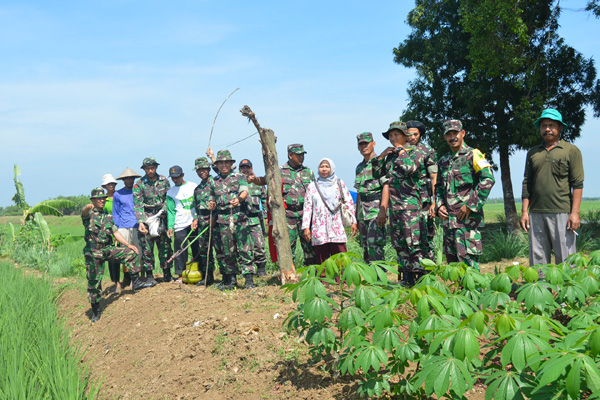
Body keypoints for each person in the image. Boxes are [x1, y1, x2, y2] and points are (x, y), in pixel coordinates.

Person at [520, 109, 584, 266]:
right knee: (538, 258)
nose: (547, 129)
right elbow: (527, 182)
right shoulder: (533, 153)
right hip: (536, 213)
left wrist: (574, 213)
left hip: (562, 212)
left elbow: (578, 184)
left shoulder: (571, 151)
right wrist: (524, 212)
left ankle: (567, 289)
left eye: (551, 125)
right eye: (543, 126)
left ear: (560, 128)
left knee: (566, 257)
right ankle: (542, 288)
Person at [435, 119, 495, 270]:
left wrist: (470, 205)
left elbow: (488, 179)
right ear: (444, 137)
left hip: (467, 222)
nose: (452, 137)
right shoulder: (443, 161)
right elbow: (438, 187)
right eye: (448, 134)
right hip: (449, 222)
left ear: (463, 133)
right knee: (453, 266)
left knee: (468, 264)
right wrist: (439, 205)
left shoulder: (473, 154)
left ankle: (474, 294)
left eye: (455, 133)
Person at [82, 188, 148, 322]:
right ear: (93, 200)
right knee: (94, 282)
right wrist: (87, 208)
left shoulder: (107, 215)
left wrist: (127, 244)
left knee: (131, 253)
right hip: (93, 252)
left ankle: (135, 283)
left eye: (103, 198)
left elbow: (115, 233)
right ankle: (95, 311)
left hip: (107, 249)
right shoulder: (89, 214)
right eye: (98, 198)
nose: (101, 200)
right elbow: (83, 213)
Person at [373, 121, 426, 285]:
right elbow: (376, 174)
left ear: (405, 136)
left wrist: (402, 152)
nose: (393, 138)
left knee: (414, 244)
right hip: (395, 208)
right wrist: (381, 157)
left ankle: (420, 278)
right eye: (390, 135)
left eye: (396, 135)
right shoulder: (389, 156)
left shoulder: (415, 152)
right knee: (400, 244)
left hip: (410, 207)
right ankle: (407, 278)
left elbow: (410, 168)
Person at [249, 144, 316, 266]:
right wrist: (254, 179)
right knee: (288, 247)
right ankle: (290, 273)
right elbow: (265, 180)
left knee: (310, 246)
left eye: (302, 155)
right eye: (298, 155)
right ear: (290, 155)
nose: (301, 157)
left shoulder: (308, 172)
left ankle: (312, 274)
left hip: (306, 215)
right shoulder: (279, 171)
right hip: (288, 215)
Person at [211, 150, 255, 290]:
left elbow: (244, 191)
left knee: (244, 248)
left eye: (226, 162)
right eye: (221, 163)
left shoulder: (239, 177)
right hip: (223, 219)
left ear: (231, 163)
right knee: (227, 250)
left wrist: (240, 199)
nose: (224, 165)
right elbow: (212, 199)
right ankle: (231, 280)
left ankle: (249, 279)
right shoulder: (214, 181)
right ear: (217, 165)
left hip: (239, 217)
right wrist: (211, 204)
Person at [302, 158, 357, 264]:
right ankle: (324, 280)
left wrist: (354, 221)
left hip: (336, 226)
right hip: (319, 227)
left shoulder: (339, 184)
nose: (324, 169)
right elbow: (307, 207)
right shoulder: (312, 186)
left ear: (332, 168)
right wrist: (306, 227)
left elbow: (349, 202)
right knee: (322, 259)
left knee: (340, 256)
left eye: (327, 166)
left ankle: (341, 280)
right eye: (321, 166)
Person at [133, 157, 173, 285]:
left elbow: (169, 198)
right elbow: (138, 204)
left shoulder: (164, 181)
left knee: (165, 247)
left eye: (152, 167)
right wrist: (141, 221)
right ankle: (150, 276)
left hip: (162, 216)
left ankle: (167, 273)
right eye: (147, 168)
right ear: (144, 169)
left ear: (156, 167)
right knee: (147, 248)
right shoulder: (139, 184)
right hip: (147, 217)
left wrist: (163, 211)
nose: (150, 170)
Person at [406, 121, 438, 261]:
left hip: (423, 199)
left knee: (425, 234)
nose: (412, 137)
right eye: (409, 134)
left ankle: (428, 270)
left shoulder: (427, 150)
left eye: (415, 134)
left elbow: (433, 176)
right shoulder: (399, 150)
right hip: (404, 200)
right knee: (406, 236)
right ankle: (408, 273)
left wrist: (434, 202)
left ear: (420, 135)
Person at [354, 132, 389, 262]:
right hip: (362, 211)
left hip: (375, 208)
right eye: (361, 144)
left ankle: (380, 276)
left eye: (366, 143)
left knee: (376, 243)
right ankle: (369, 276)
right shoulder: (359, 167)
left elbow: (386, 186)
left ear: (373, 144)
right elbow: (359, 191)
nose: (364, 147)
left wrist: (383, 210)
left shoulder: (380, 162)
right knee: (365, 245)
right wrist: (356, 216)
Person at [166, 165, 199, 283]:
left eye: (178, 177)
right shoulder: (170, 192)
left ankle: (199, 271)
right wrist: (170, 226)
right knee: (180, 249)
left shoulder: (193, 186)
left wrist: (196, 219)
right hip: (180, 224)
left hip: (193, 222)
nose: (176, 180)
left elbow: (198, 204)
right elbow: (171, 211)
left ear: (183, 175)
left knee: (197, 247)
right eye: (173, 178)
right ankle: (180, 275)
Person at [112, 168, 143, 290]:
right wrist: (116, 229)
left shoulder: (138, 192)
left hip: (137, 226)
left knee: (138, 252)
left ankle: (138, 278)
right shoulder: (118, 194)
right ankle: (128, 278)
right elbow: (116, 212)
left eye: (131, 178)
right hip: (123, 227)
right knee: (125, 254)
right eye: (126, 179)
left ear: (134, 179)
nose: (129, 180)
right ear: (123, 180)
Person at [239, 159, 269, 277]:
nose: (245, 170)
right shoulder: (237, 183)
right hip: (241, 219)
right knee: (243, 246)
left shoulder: (258, 183)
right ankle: (246, 270)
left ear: (251, 169)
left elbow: (265, 200)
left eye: (247, 167)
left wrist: (266, 217)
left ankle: (261, 269)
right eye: (243, 168)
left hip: (255, 218)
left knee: (259, 245)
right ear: (239, 169)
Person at [191, 157, 217, 286]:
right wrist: (195, 219)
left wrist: (215, 218)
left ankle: (228, 277)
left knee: (221, 251)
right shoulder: (197, 189)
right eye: (199, 170)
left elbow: (222, 202)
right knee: (205, 252)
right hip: (202, 224)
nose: (202, 172)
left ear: (208, 169)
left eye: (204, 169)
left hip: (215, 223)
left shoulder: (216, 183)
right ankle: (208, 277)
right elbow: (195, 207)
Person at [101, 173, 122, 292]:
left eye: (113, 184)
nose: (111, 186)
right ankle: (116, 282)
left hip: (122, 229)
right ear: (105, 186)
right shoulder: (103, 200)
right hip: (109, 231)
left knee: (126, 255)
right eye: (109, 184)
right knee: (113, 257)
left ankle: (128, 279)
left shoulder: (119, 195)